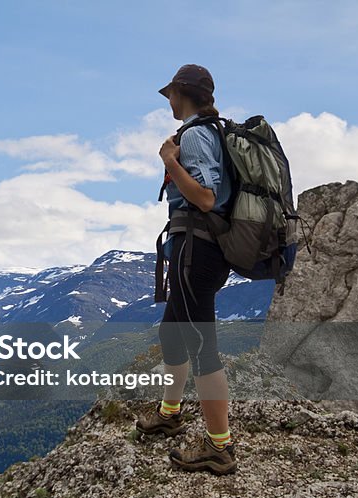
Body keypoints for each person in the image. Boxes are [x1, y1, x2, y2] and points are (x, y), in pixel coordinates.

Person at [135, 64, 237, 475]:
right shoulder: (211, 131)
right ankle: (171, 413)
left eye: (172, 94)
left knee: (201, 348)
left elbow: (207, 198)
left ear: (184, 94)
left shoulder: (195, 135)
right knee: (171, 332)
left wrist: (168, 161)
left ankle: (219, 447)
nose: (169, 102)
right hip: (196, 250)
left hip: (197, 251)